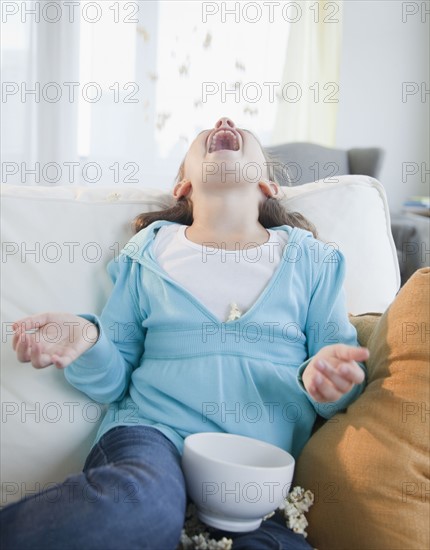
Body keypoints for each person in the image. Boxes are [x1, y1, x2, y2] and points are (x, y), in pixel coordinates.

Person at [1, 117, 369, 550]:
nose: (224, 121)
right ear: (183, 187)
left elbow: (337, 368)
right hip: (154, 440)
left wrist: (327, 384)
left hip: (254, 477)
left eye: (244, 133)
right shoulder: (148, 254)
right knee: (141, 509)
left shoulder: (312, 261)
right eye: (201, 140)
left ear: (267, 185)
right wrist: (88, 341)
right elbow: (115, 382)